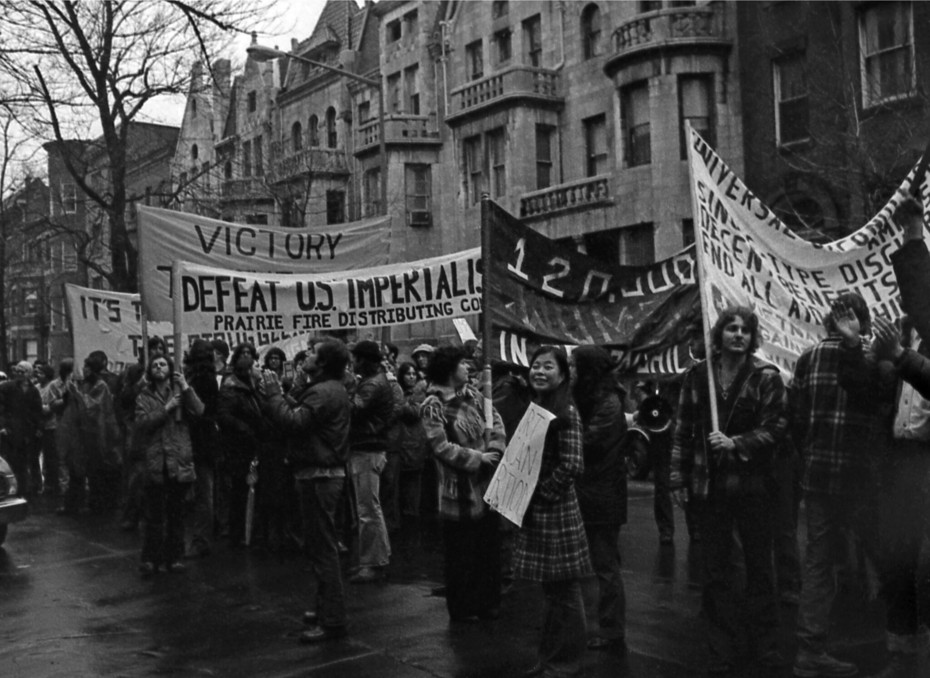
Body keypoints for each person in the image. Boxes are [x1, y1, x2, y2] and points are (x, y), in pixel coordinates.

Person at [670, 307, 787, 674]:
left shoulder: (766, 377)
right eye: (731, 328)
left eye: (745, 330)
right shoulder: (697, 376)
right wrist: (677, 477)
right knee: (716, 569)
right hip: (710, 487)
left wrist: (736, 443)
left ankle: (764, 645)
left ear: (753, 338)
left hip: (754, 487)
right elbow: (683, 428)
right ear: (719, 334)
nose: (738, 334)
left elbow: (778, 427)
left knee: (759, 567)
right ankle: (722, 646)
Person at [790, 293, 890, 678]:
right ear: (861, 320)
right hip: (861, 474)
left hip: (818, 474)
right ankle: (895, 638)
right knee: (882, 555)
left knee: (818, 560)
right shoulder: (873, 355)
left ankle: (809, 649)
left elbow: (795, 418)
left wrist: (810, 453)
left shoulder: (807, 358)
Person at [262, 338, 352, 643]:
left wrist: (275, 395)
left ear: (323, 363)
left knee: (323, 548)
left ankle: (333, 620)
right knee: (319, 546)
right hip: (321, 473)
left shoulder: (324, 391)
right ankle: (323, 607)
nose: (306, 356)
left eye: (313, 353)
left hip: (319, 475)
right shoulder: (327, 388)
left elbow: (293, 421)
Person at [515, 346, 592, 678]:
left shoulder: (567, 411)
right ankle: (549, 659)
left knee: (565, 593)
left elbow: (573, 465)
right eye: (535, 365)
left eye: (548, 366)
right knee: (552, 593)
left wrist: (541, 494)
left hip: (555, 513)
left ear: (563, 375)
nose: (539, 371)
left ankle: (566, 663)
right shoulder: (538, 407)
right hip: (540, 512)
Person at [420, 346, 505, 622]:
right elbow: (440, 447)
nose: (467, 368)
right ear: (448, 370)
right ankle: (462, 608)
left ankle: (488, 601)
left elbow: (497, 422)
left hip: (487, 486)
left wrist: (495, 449)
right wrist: (478, 458)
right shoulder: (433, 406)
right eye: (461, 364)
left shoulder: (477, 396)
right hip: (458, 490)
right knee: (460, 554)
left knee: (488, 549)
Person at [570, 345, 628, 652]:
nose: (572, 372)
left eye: (575, 366)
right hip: (592, 491)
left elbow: (587, 442)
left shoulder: (609, 401)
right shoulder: (589, 396)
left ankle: (611, 629)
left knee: (606, 565)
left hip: (603, 494)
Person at [134, 355, 204, 576]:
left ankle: (174, 557)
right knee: (154, 515)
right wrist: (166, 408)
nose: (159, 367)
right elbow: (142, 424)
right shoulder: (144, 396)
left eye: (163, 364)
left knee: (176, 513)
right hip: (156, 460)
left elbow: (200, 410)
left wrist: (186, 388)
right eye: (155, 365)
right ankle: (150, 559)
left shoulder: (180, 391)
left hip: (178, 458)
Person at [346, 340, 396, 583]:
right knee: (369, 507)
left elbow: (353, 409)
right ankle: (378, 557)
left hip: (368, 450)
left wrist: (344, 386)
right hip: (368, 448)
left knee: (368, 509)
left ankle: (373, 563)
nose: (353, 363)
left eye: (356, 359)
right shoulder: (373, 381)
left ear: (365, 360)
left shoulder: (373, 384)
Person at [217, 343, 269, 548]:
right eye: (243, 354)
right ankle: (237, 532)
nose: (247, 357)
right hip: (239, 445)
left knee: (254, 488)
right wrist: (244, 429)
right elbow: (224, 415)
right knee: (239, 488)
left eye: (250, 354)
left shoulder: (255, 381)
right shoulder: (230, 384)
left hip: (256, 443)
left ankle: (251, 531)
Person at [183, 339, 219, 559]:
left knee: (203, 493)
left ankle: (202, 539)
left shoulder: (204, 380)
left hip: (201, 440)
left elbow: (203, 411)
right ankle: (200, 537)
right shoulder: (198, 377)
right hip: (200, 440)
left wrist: (186, 391)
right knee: (201, 493)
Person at [0, 361, 43, 496]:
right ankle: (14, 489)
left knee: (27, 460)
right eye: (17, 371)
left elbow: (37, 410)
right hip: (11, 429)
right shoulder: (6, 387)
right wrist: (3, 426)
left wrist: (39, 427)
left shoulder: (33, 390)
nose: (19, 374)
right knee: (12, 460)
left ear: (29, 374)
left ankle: (27, 489)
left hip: (27, 430)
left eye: (23, 372)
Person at [42, 360, 72, 501]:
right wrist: (66, 400)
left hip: (76, 425)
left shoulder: (78, 382)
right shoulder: (55, 385)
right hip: (59, 424)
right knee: (61, 458)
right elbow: (52, 405)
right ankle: (64, 491)